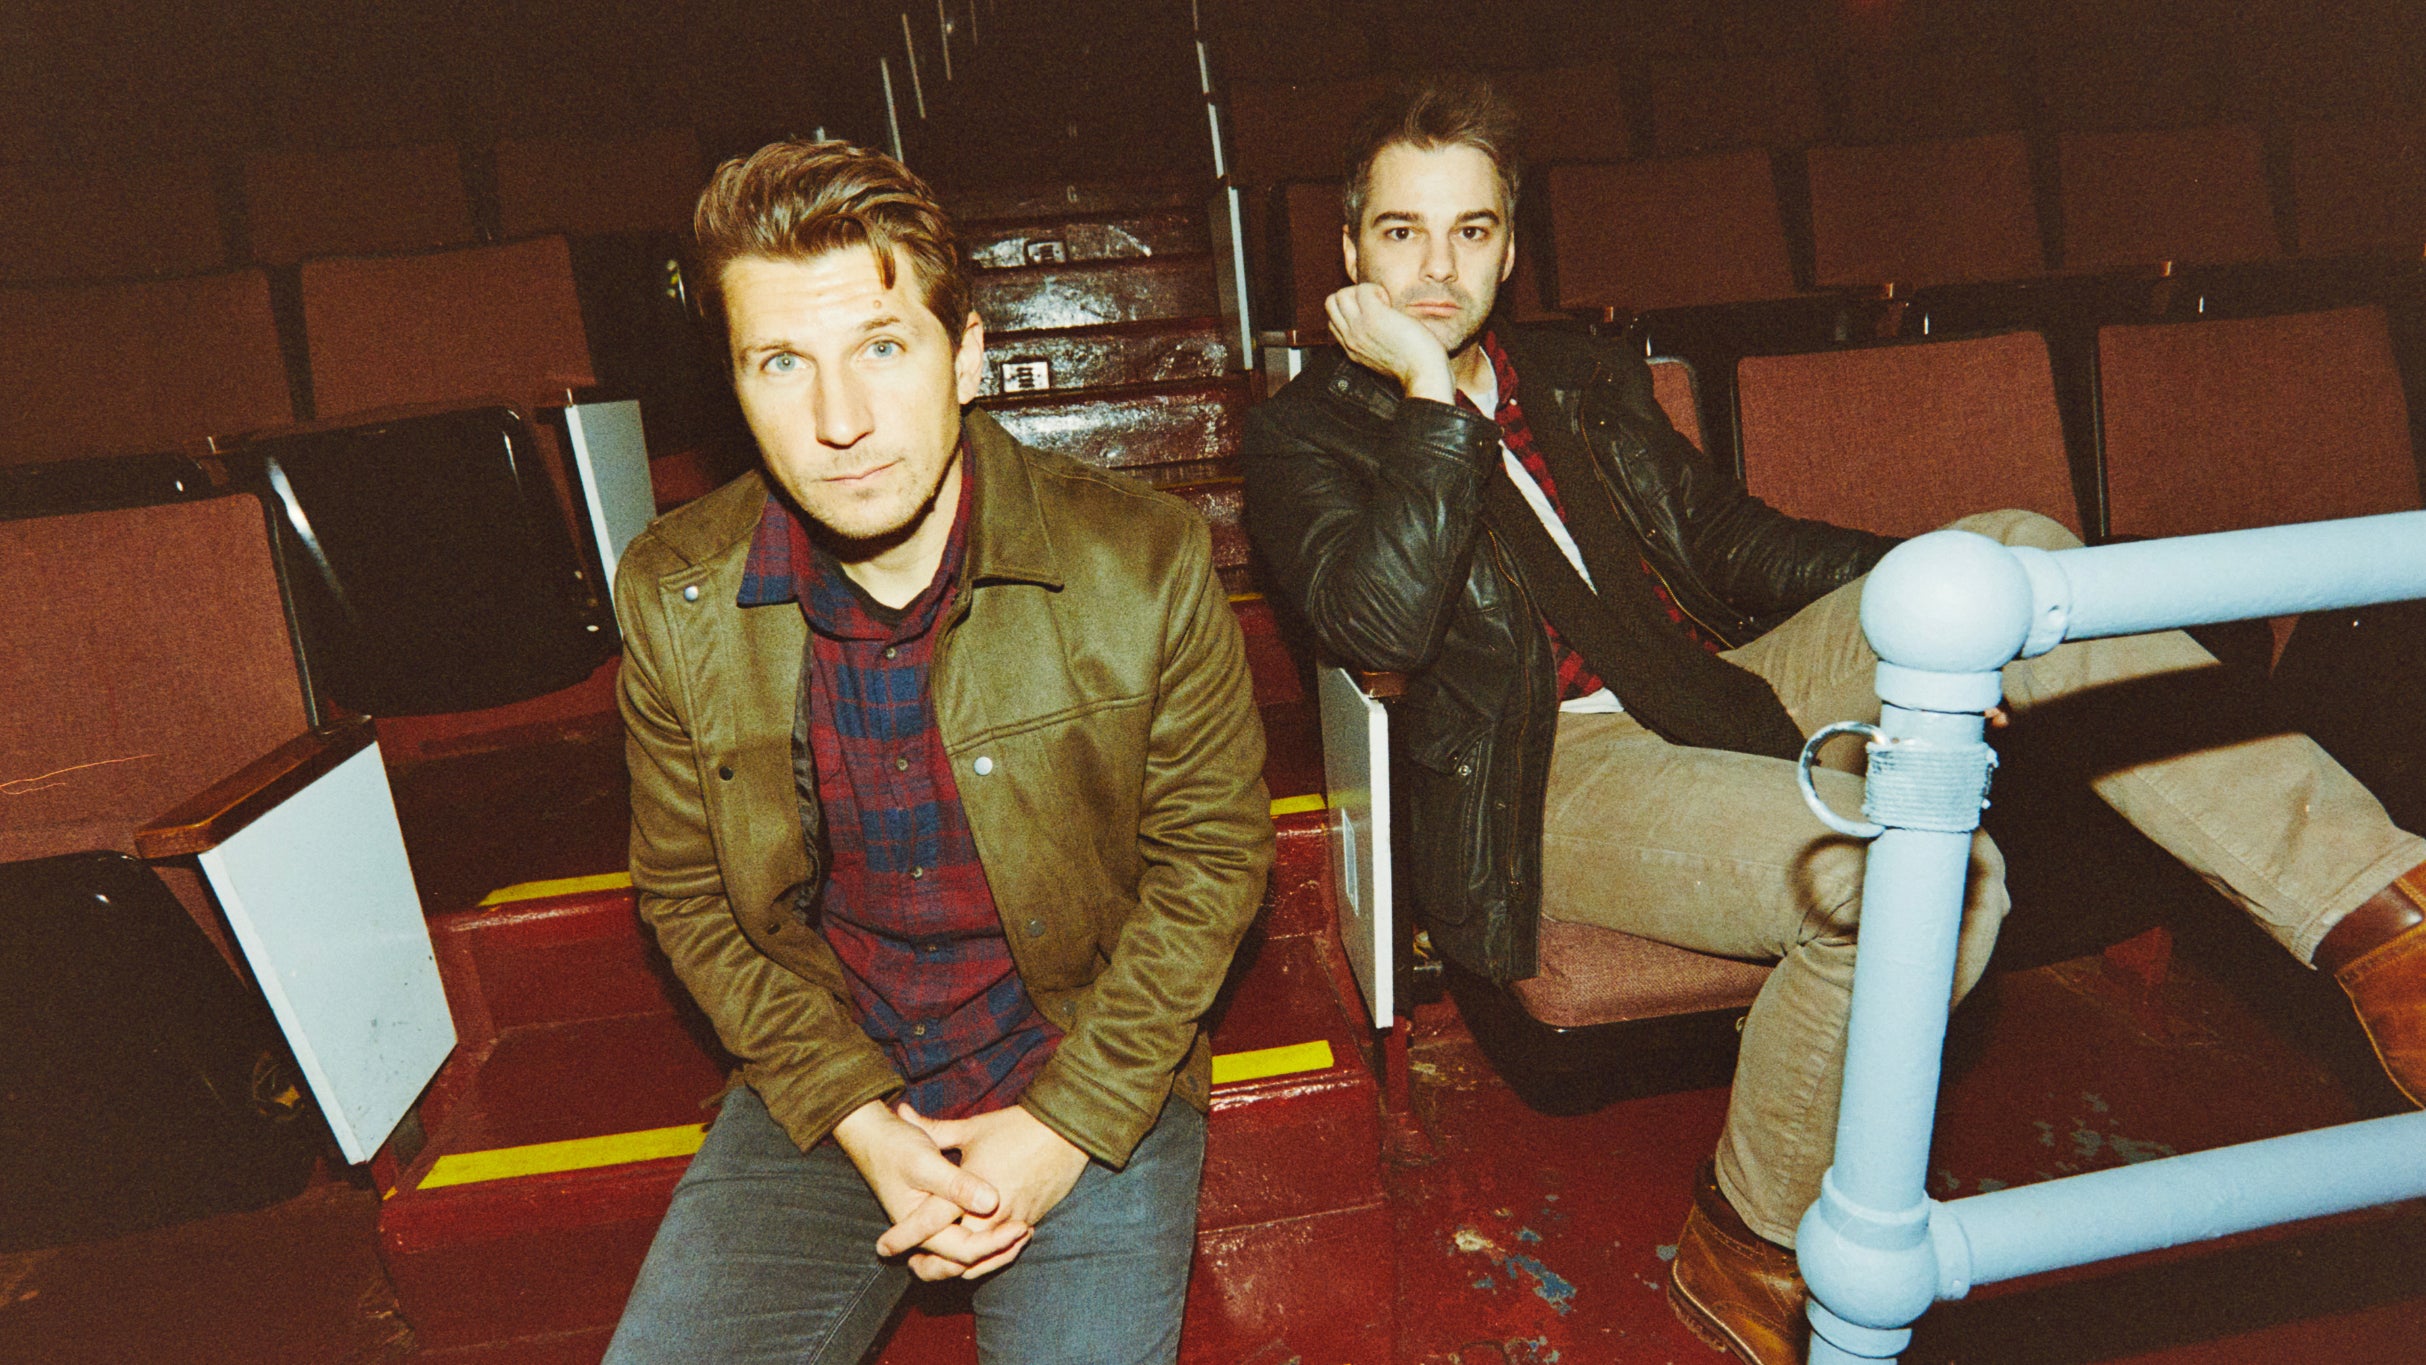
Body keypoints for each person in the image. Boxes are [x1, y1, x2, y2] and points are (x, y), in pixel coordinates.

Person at [1238, 75, 2426, 1365]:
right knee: (1927, 879)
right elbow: (1379, 630)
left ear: (1509, 245)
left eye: (1468, 230)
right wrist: (1427, 400)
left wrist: (1937, 617)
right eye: (1401, 231)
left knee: (2008, 559)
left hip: (1705, 687)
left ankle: (2383, 921)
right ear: (1349, 250)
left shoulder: (1571, 375)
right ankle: (1747, 1234)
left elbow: (1729, 543)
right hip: (1545, 775)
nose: (1435, 267)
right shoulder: (1304, 438)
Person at [605, 140, 1272, 1365]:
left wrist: (1063, 1126)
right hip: (829, 1075)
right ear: (735, 386)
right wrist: (859, 1120)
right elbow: (689, 898)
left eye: (881, 347)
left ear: (965, 355)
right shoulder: (674, 594)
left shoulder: (1141, 560)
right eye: (782, 363)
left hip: (1086, 1058)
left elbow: (1213, 863)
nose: (839, 422)